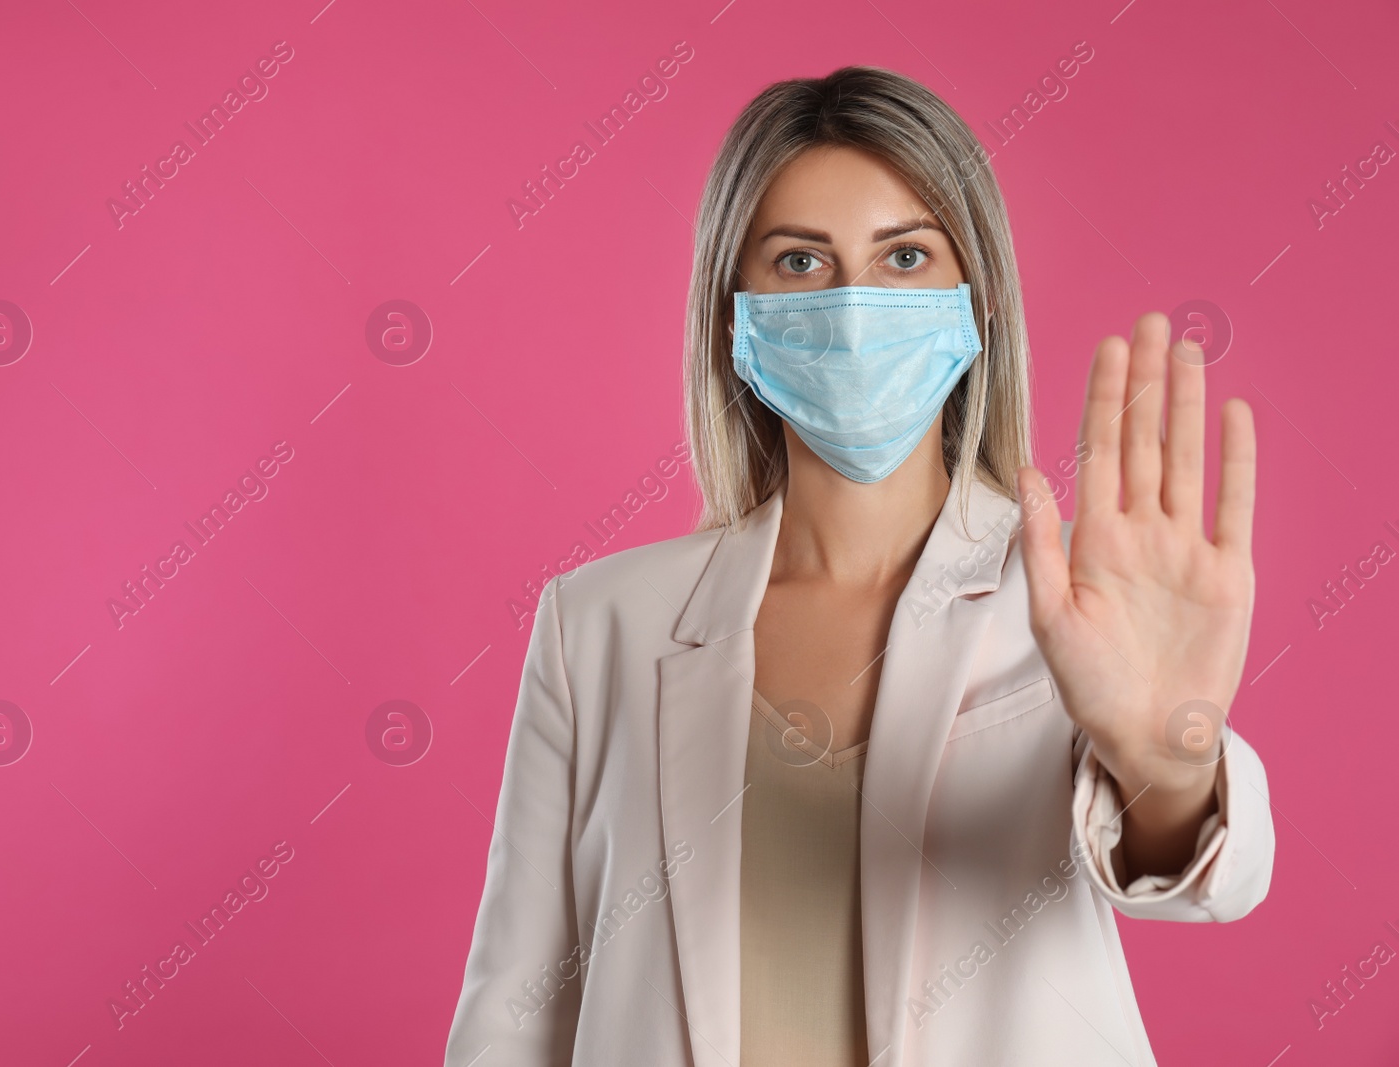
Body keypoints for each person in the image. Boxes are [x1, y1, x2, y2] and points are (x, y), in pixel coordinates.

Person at [443, 65, 1273, 1067]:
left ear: (979, 304)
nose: (850, 307)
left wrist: (1173, 760)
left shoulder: (1069, 596)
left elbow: (1210, 880)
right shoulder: (597, 622)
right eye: (799, 262)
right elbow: (513, 1015)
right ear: (730, 311)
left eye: (905, 257)